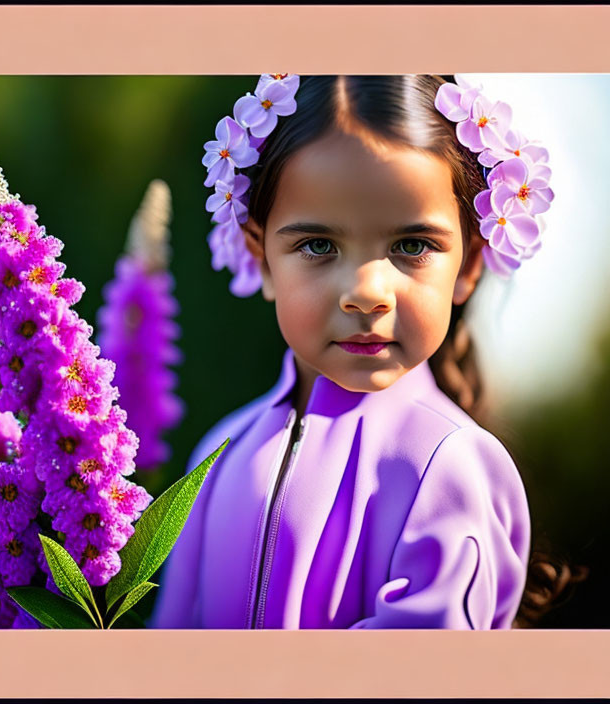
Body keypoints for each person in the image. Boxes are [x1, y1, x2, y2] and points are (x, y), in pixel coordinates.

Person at [150, 74, 583, 629]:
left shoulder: (451, 467)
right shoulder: (218, 458)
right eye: (318, 245)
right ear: (260, 258)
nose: (366, 291)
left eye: (411, 245)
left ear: (469, 264)